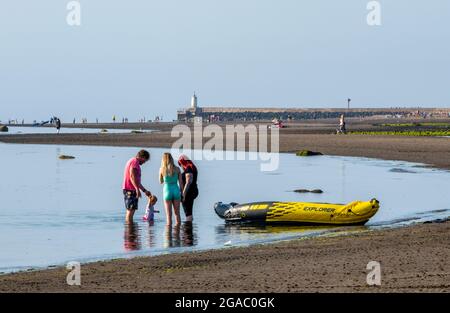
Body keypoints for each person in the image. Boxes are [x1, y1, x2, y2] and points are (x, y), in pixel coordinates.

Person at [122, 150, 152, 223]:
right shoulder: (134, 162)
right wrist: (137, 190)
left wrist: (144, 190)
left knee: (130, 210)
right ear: (143, 157)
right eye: (145, 160)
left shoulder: (132, 161)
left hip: (130, 189)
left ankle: (129, 229)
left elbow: (137, 181)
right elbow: (132, 177)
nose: (144, 162)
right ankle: (130, 231)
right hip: (130, 189)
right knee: (130, 211)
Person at [159, 153, 183, 226]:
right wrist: (182, 193)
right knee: (177, 213)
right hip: (176, 190)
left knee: (168, 215)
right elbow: (181, 183)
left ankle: (168, 236)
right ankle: (177, 234)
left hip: (167, 191)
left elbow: (160, 181)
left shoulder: (161, 169)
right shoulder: (177, 169)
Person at [178, 155, 199, 222]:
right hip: (192, 191)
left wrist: (183, 195)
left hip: (188, 193)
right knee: (189, 212)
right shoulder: (193, 168)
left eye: (180, 164)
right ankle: (189, 229)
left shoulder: (188, 169)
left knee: (188, 213)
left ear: (182, 162)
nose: (180, 166)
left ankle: (187, 230)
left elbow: (188, 182)